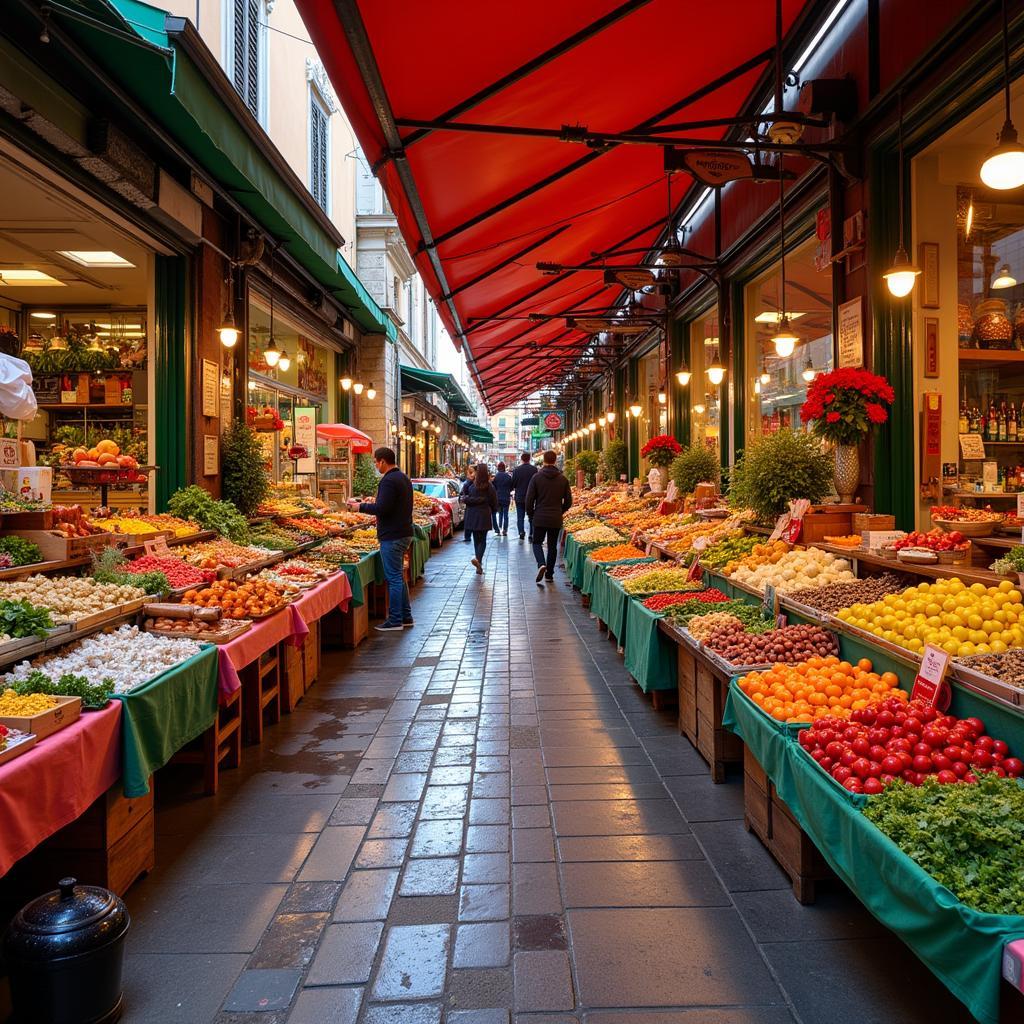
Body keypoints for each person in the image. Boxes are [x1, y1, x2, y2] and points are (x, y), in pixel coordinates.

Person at [347, 447, 414, 632]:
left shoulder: (389, 481)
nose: (376, 465)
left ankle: (395, 620)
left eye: (376, 462)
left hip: (392, 535)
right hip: (404, 532)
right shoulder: (403, 478)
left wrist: (359, 507)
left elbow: (383, 508)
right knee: (398, 577)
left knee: (393, 578)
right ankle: (406, 616)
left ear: (383, 461)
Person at [525, 449, 572, 585]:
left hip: (539, 516)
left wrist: (531, 514)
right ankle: (549, 574)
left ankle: (541, 564)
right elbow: (568, 501)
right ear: (555, 460)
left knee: (536, 542)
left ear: (544, 460)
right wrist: (560, 511)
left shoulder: (536, 478)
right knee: (552, 546)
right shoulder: (563, 479)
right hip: (555, 518)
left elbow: (529, 500)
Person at [461, 463, 498, 574]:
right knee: (483, 540)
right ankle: (479, 561)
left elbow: (464, 496)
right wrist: (493, 510)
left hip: (472, 515)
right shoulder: (489, 486)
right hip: (484, 515)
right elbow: (494, 502)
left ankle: (478, 562)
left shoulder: (471, 485)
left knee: (476, 539)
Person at [510, 451, 538, 542]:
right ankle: (532, 533)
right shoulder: (534, 469)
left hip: (519, 496)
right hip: (531, 497)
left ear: (521, 459)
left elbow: (513, 484)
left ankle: (521, 532)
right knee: (531, 516)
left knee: (520, 516)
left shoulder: (516, 470)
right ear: (529, 459)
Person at [492, 462, 513, 536]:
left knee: (500, 513)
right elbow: (511, 487)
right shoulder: (508, 476)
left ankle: (500, 527)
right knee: (506, 514)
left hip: (498, 498)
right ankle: (505, 530)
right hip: (506, 497)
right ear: (504, 468)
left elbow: (493, 487)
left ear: (498, 468)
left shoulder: (496, 477)